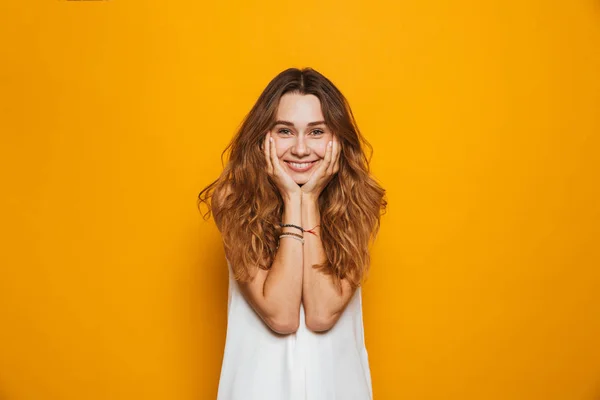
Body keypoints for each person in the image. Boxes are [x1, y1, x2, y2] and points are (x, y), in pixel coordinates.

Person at [197, 67, 387, 400]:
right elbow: (281, 314)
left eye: (316, 132)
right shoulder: (234, 199)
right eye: (285, 131)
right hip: (257, 389)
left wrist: (308, 198)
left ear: (336, 139)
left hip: (339, 389)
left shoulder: (359, 199)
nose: (301, 148)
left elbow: (321, 313)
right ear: (263, 137)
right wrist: (292, 198)